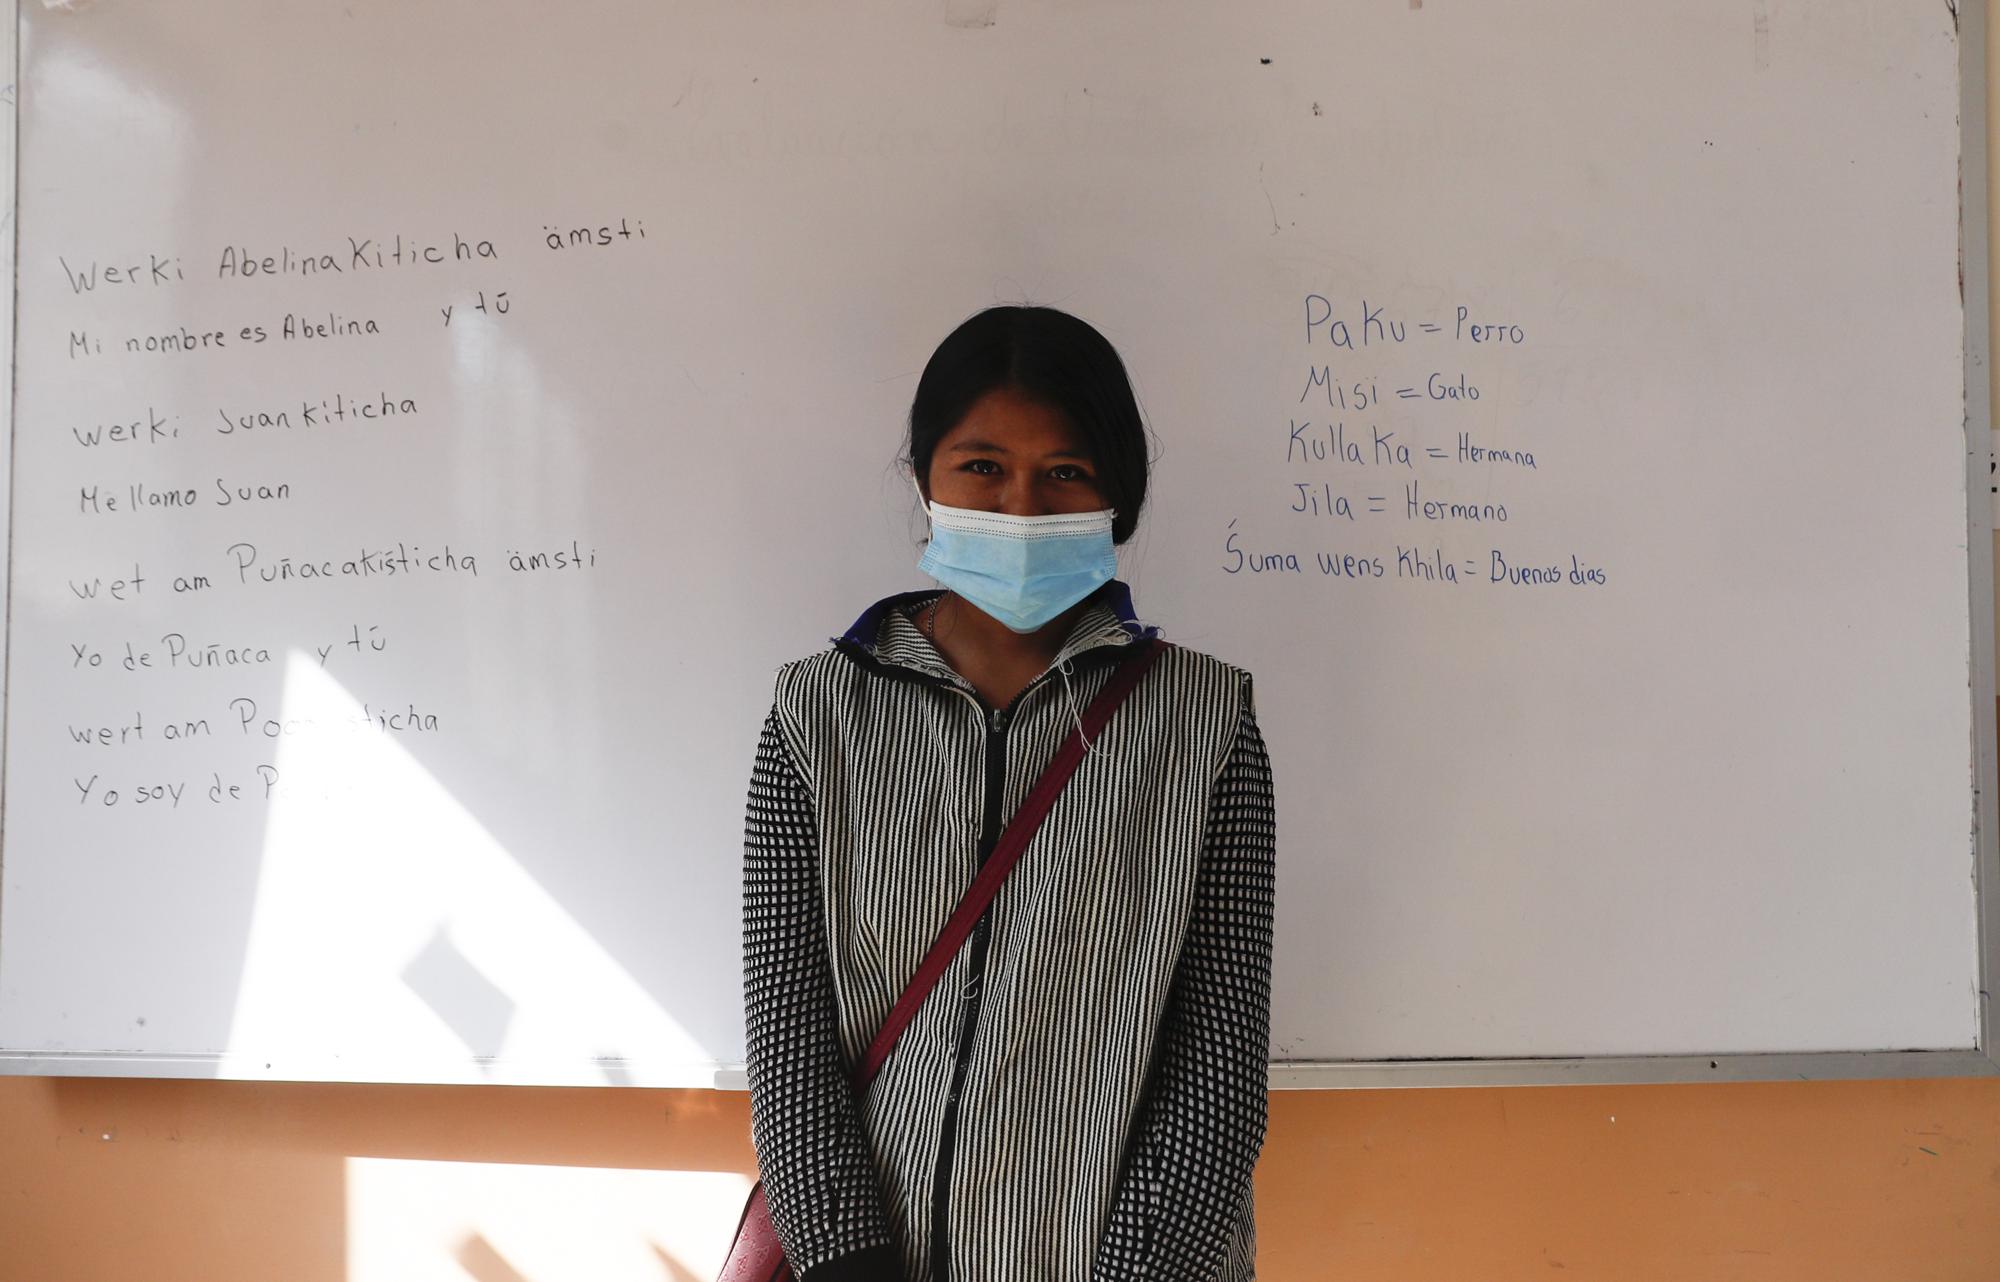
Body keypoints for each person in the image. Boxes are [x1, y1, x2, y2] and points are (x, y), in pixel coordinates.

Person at [740, 304, 1277, 1282]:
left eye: (1063, 472)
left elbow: (1219, 1065)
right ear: (923, 478)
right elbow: (788, 1041)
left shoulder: (1206, 720)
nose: (1020, 509)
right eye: (981, 466)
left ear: (1118, 495)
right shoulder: (813, 715)